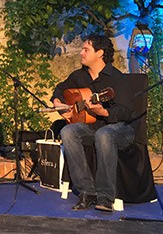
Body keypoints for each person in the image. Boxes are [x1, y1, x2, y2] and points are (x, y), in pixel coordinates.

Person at [51, 34, 135, 212]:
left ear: (100, 53)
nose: (81, 53)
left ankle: (105, 196)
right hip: (93, 128)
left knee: (104, 134)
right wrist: (58, 103)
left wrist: (103, 112)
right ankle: (86, 190)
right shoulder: (79, 76)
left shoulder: (117, 78)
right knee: (68, 131)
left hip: (121, 129)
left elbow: (126, 112)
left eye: (86, 50)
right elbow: (59, 89)